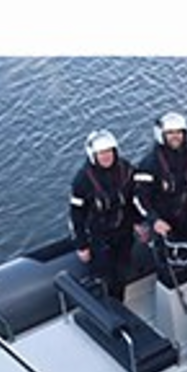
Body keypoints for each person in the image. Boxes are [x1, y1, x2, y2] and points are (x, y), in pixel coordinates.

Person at [133, 111, 187, 261]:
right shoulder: (149, 164)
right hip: (163, 222)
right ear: (161, 135)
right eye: (170, 133)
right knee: (166, 260)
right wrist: (154, 220)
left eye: (179, 132)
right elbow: (139, 198)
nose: (175, 136)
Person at [68, 129, 141, 301]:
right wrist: (81, 245)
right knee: (105, 277)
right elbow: (76, 215)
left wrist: (138, 222)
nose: (106, 156)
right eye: (101, 153)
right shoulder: (82, 180)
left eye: (109, 151)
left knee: (122, 273)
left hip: (123, 232)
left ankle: (119, 303)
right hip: (98, 236)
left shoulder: (126, 169)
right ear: (93, 155)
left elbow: (133, 199)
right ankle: (107, 305)